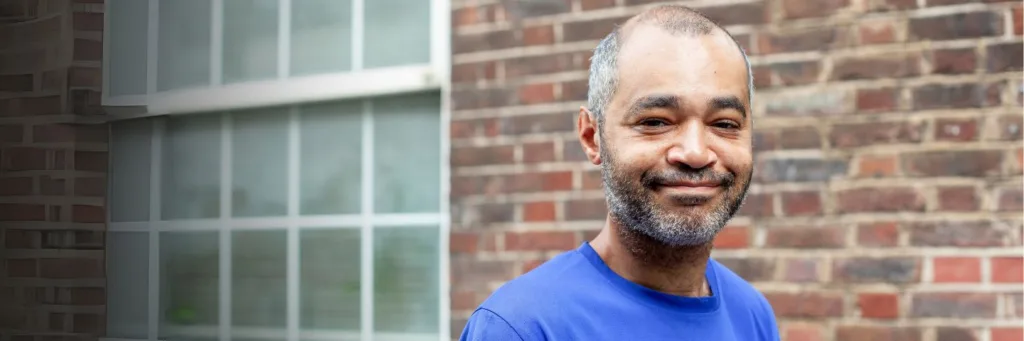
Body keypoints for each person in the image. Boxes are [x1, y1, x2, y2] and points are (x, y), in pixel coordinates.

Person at [458, 4, 780, 341]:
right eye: (655, 121)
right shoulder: (521, 326)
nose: (696, 153)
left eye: (725, 124)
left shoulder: (752, 314)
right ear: (591, 137)